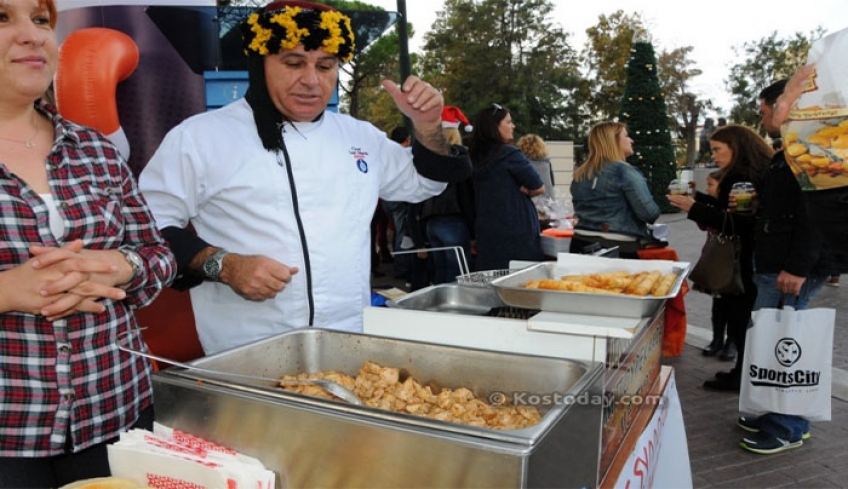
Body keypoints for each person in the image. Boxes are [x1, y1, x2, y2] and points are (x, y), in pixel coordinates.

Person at [138, 1, 472, 355]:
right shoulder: (200, 137)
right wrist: (224, 265)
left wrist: (427, 126)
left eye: (326, 66)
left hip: (348, 342)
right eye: (293, 63)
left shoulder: (360, 137)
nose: (312, 80)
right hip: (247, 349)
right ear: (259, 64)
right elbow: (147, 226)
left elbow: (425, 183)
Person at [0, 0, 177, 486]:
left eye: (40, 20)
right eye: (2, 18)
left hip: (115, 412)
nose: (33, 35)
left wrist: (119, 267)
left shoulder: (94, 149)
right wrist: (8, 292)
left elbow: (157, 254)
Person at [736, 79, 831, 454]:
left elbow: (815, 214)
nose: (762, 118)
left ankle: (787, 426)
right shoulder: (790, 150)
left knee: (784, 342)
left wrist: (797, 266)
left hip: (790, 267)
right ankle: (784, 417)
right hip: (779, 263)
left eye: (764, 110)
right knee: (771, 338)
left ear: (784, 105)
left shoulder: (807, 148)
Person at [668, 124, 773, 392]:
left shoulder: (739, 178)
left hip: (742, 261)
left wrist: (694, 208)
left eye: (717, 149)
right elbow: (733, 212)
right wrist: (698, 200)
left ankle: (742, 377)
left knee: (740, 318)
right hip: (751, 259)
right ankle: (742, 373)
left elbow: (739, 223)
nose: (713, 155)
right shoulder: (749, 174)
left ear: (735, 147)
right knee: (740, 319)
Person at [468, 103, 544, 271]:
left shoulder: (472, 157)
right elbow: (539, 186)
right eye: (508, 122)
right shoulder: (510, 154)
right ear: (495, 127)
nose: (513, 126)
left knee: (492, 278)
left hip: (486, 229)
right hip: (517, 229)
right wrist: (529, 190)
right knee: (522, 281)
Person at [570, 121, 661, 257]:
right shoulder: (624, 171)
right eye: (626, 136)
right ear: (613, 141)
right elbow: (649, 214)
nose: (631, 140)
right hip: (616, 247)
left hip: (579, 241)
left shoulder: (581, 173)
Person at [410, 115, 475, 284]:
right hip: (454, 220)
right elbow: (466, 195)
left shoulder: (427, 160)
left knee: (440, 269)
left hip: (431, 222)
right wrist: (474, 228)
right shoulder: (460, 160)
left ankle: (440, 308)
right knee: (458, 272)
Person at [698, 170, 736, 361]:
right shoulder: (712, 205)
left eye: (711, 185)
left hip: (731, 261)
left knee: (733, 304)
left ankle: (732, 341)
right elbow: (705, 226)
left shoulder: (733, 206)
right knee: (718, 302)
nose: (707, 189)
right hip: (715, 259)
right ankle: (717, 339)